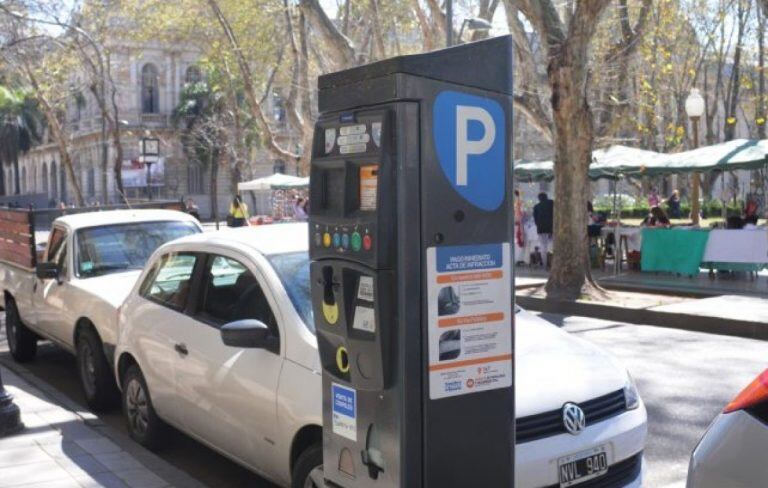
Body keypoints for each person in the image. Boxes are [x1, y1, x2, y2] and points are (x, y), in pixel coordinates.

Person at [533, 192, 554, 262]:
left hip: (541, 229)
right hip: (551, 228)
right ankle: (552, 262)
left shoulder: (536, 206)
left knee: (543, 246)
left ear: (539, 198)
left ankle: (545, 263)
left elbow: (535, 219)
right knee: (552, 245)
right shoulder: (552, 203)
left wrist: (539, 224)